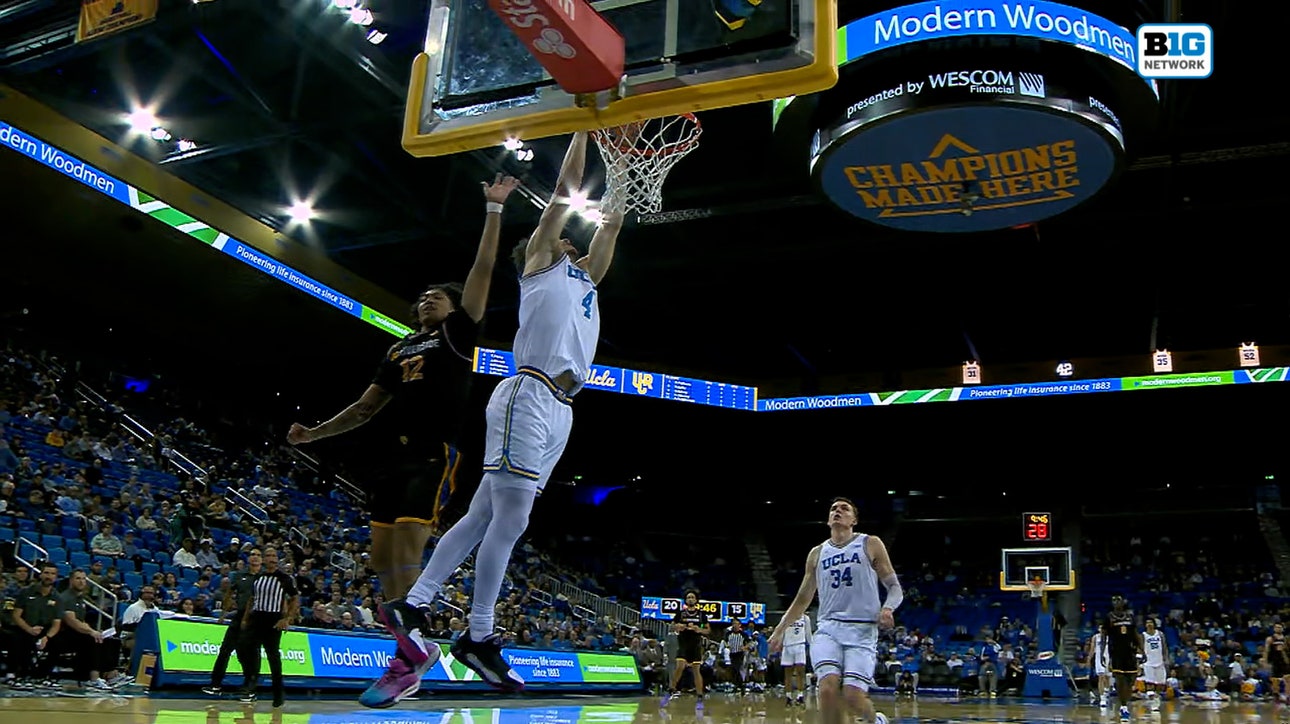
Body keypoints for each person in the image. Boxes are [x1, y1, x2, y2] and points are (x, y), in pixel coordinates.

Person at [379, 130, 623, 694]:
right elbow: (564, 194)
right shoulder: (539, 260)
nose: (577, 240)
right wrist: (587, 130)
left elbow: (610, 222)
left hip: (561, 410)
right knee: (511, 521)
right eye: (569, 238)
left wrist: (625, 158)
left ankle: (419, 604)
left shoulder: (587, 281)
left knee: (487, 513)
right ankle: (476, 631)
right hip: (528, 395)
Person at [288, 173, 520, 595]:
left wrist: (494, 208)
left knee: (408, 551)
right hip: (390, 456)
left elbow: (482, 268)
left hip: (433, 453)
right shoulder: (398, 349)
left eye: (438, 295)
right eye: (424, 296)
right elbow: (364, 407)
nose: (428, 298)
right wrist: (315, 434)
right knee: (381, 559)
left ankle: (413, 637)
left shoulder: (456, 334)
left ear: (453, 308)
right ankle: (405, 634)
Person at [769, 498, 898, 724]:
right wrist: (780, 630)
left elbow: (895, 588)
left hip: (862, 630)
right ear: (829, 520)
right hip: (829, 628)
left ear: (854, 520)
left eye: (844, 508)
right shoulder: (817, 554)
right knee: (827, 691)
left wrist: (887, 608)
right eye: (833, 509)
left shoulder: (870, 543)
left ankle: (875, 720)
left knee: (852, 697)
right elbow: (802, 599)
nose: (838, 511)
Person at [238, 547, 299, 707]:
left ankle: (278, 693)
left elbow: (294, 598)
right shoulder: (258, 578)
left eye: (274, 555)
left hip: (273, 619)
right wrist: (245, 619)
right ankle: (251, 683)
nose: (271, 558)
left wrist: (287, 618)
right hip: (256, 617)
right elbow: (252, 599)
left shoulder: (284, 578)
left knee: (273, 657)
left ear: (277, 559)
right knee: (245, 647)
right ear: (264, 559)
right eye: (268, 555)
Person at [56, 569, 131, 691]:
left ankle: (111, 674)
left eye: (84, 579)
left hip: (77, 633)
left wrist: (95, 630)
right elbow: (72, 621)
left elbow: (82, 622)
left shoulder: (80, 598)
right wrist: (92, 632)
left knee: (111, 640)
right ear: (71, 580)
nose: (81, 582)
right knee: (92, 639)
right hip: (64, 633)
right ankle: (94, 678)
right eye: (78, 578)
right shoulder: (66, 597)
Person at [203, 548, 262, 696]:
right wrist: (224, 612)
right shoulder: (239, 575)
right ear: (248, 558)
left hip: (255, 619)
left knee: (249, 654)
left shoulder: (265, 578)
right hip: (239, 616)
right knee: (225, 650)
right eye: (252, 554)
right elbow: (230, 592)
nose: (255, 557)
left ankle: (250, 685)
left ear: (262, 560)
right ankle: (215, 684)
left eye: (258, 555)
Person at [4, 563, 63, 691]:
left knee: (58, 641)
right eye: (46, 573)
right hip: (25, 627)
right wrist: (29, 629)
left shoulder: (57, 597)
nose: (49, 576)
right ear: (40, 574)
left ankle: (42, 675)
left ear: (56, 577)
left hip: (45, 630)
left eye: (53, 574)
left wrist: (47, 637)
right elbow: (16, 615)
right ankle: (14, 675)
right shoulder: (26, 592)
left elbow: (56, 623)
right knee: (17, 638)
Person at [664, 591, 710, 705]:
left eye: (692, 597)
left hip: (695, 645)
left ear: (696, 600)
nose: (690, 599)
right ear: (685, 600)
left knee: (696, 670)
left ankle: (699, 694)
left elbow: (708, 630)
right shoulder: (680, 614)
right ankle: (671, 689)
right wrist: (677, 626)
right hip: (683, 644)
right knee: (680, 666)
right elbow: (671, 626)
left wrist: (698, 629)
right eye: (688, 597)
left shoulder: (701, 615)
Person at [1102, 595, 1142, 722]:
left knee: (1131, 678)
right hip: (1116, 652)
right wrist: (1103, 652)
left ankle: (1125, 700)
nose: (1116, 602)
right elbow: (1104, 636)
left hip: (1130, 651)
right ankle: (1124, 706)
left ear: (1123, 602)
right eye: (1113, 600)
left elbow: (1136, 634)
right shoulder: (1109, 617)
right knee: (1120, 678)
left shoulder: (1130, 617)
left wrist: (1142, 649)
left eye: (1118, 599)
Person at [781, 613, 812, 705]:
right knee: (788, 673)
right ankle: (788, 696)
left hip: (800, 646)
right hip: (787, 646)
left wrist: (812, 646)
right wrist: (779, 644)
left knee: (800, 672)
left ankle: (800, 696)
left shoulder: (805, 618)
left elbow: (808, 634)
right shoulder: (786, 616)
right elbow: (781, 631)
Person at [1141, 618, 1168, 710]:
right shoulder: (1143, 635)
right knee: (1150, 683)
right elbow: (1140, 648)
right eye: (1147, 622)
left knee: (1160, 684)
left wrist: (1166, 658)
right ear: (1145, 625)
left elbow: (1164, 647)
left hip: (1159, 661)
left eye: (1151, 622)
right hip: (1148, 662)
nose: (1149, 624)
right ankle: (1153, 702)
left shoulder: (1160, 634)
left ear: (1154, 624)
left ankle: (1156, 698)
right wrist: (1139, 661)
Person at [1262, 621, 1289, 703]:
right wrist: (1265, 661)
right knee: (1275, 679)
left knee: (1288, 678)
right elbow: (1266, 651)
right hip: (1275, 661)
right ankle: (1276, 695)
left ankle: (1288, 696)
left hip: (1285, 661)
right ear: (1274, 628)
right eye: (1276, 627)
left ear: (1283, 628)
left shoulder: (1286, 639)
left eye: (1280, 627)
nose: (1278, 629)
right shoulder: (1270, 639)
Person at [1088, 622, 1109, 707]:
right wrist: (1089, 659)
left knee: (1107, 678)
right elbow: (1092, 649)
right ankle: (1102, 698)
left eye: (1103, 628)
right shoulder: (1095, 637)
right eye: (1100, 628)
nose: (1101, 630)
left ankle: (1106, 692)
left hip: (1108, 658)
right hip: (1099, 659)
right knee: (1101, 677)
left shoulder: (1110, 637)